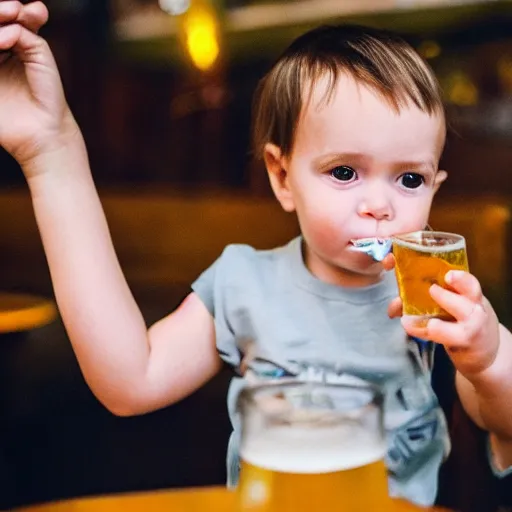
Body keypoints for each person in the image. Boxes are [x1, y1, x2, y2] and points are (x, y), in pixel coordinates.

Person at [1, 1, 511, 507]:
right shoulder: (244, 283)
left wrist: (487, 357)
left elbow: (502, 420)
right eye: (344, 172)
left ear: (435, 187)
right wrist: (51, 152)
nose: (379, 206)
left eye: (409, 179)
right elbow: (130, 382)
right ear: (282, 176)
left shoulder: (433, 294)